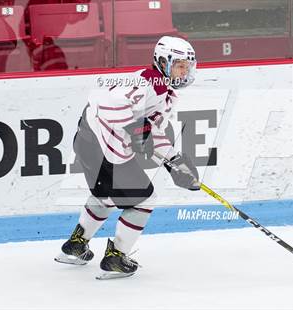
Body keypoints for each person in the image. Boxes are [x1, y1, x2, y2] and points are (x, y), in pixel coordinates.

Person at [55, 36, 200, 279]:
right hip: (103, 148)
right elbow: (107, 104)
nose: (184, 72)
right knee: (145, 199)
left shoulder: (163, 94)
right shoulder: (147, 82)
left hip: (89, 143)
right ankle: (116, 257)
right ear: (163, 61)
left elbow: (152, 132)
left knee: (105, 195)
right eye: (180, 65)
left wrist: (175, 161)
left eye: (187, 66)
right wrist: (135, 128)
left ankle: (76, 245)